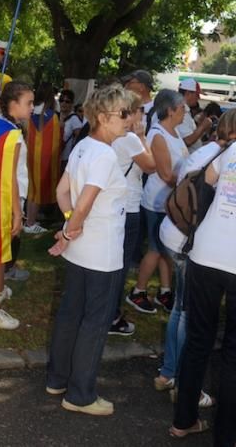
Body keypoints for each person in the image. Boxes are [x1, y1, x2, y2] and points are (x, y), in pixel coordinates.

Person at [46, 84, 131, 416]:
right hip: (101, 252)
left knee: (70, 314)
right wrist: (70, 228)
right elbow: (82, 202)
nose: (129, 120)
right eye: (123, 114)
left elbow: (62, 191)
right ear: (103, 116)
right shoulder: (105, 154)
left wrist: (70, 225)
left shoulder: (84, 146)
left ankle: (58, 378)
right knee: (94, 322)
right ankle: (80, 394)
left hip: (82, 250)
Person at [154, 116, 233, 407]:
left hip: (176, 233)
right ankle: (184, 383)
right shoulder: (222, 157)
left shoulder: (205, 151)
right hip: (192, 243)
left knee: (181, 308)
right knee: (190, 315)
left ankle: (169, 373)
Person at [170, 108, 236, 443]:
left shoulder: (233, 150)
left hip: (206, 253)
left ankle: (183, 420)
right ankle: (226, 436)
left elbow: (205, 183)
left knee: (198, 339)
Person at [0, 81, 34, 329]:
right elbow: (10, 176)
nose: (32, 107)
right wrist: (17, 212)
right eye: (29, 103)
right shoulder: (13, 134)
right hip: (3, 197)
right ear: (13, 104)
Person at [127, 89, 188, 314]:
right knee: (154, 248)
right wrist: (189, 188)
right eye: (182, 108)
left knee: (166, 249)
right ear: (170, 110)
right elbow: (164, 173)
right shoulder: (158, 134)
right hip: (157, 201)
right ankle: (138, 291)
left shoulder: (174, 132)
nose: (185, 111)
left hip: (171, 201)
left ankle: (165, 290)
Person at [110, 91, 155, 336]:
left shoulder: (112, 135)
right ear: (133, 112)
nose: (143, 116)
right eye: (142, 111)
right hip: (129, 206)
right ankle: (112, 316)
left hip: (116, 204)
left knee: (113, 262)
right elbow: (151, 165)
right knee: (121, 265)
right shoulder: (130, 139)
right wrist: (142, 136)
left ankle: (108, 312)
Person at [25, 81, 60, 233]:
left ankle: (29, 219)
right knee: (36, 190)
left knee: (31, 189)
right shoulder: (52, 115)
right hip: (45, 159)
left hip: (29, 155)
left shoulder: (30, 111)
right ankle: (30, 223)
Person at [177, 78, 212, 152]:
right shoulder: (180, 112)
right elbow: (187, 141)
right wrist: (203, 126)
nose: (198, 98)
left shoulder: (186, 111)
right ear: (188, 94)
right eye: (197, 94)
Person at [60, 89, 83, 171]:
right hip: (55, 158)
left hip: (66, 160)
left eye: (67, 101)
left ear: (72, 103)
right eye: (61, 100)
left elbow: (80, 140)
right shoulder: (56, 115)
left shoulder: (74, 119)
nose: (63, 103)